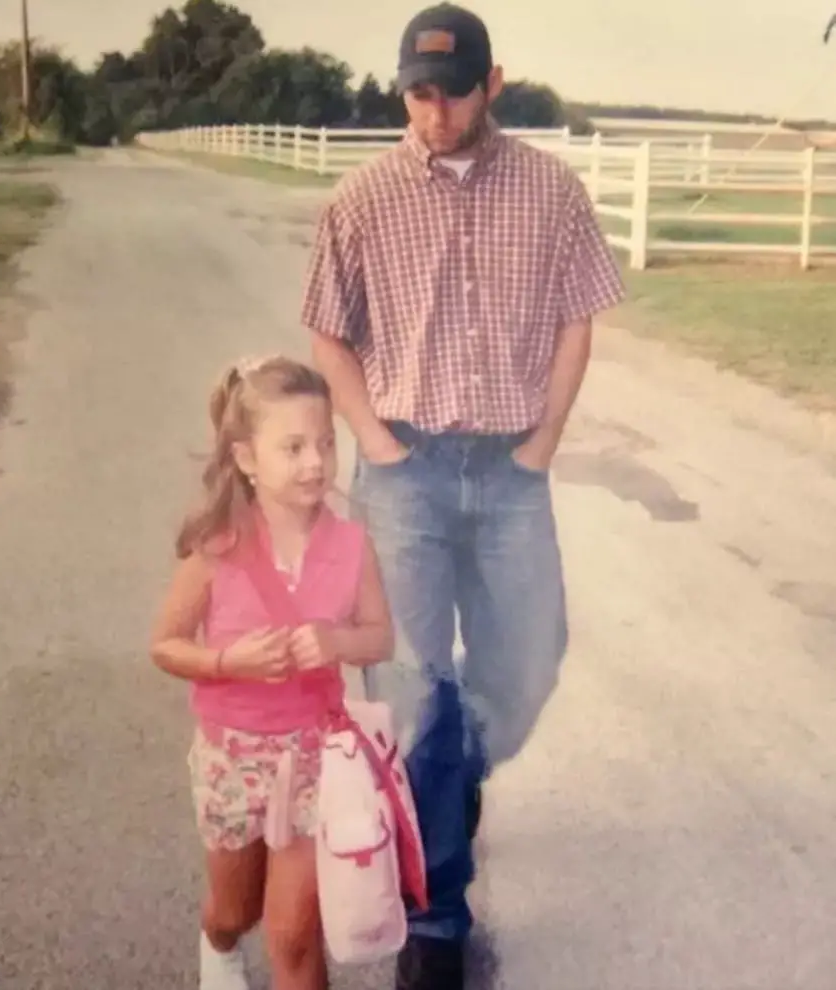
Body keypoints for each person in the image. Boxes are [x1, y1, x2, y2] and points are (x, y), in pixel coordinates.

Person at [300, 3, 627, 988]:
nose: (434, 110)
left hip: (508, 469)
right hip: (405, 471)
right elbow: (327, 330)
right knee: (410, 685)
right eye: (418, 92)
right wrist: (374, 441)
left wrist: (541, 447)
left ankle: (447, 785)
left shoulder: (550, 189)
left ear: (493, 83)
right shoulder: (359, 198)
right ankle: (435, 917)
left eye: (452, 90)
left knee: (523, 668)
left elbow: (579, 317)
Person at [149, 355, 394, 990]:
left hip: (318, 758)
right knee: (236, 908)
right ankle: (219, 945)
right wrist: (228, 662)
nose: (315, 461)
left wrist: (337, 640)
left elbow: (380, 639)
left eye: (324, 443)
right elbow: (166, 644)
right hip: (232, 759)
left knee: (293, 936)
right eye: (293, 447)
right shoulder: (217, 546)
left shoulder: (351, 542)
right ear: (248, 459)